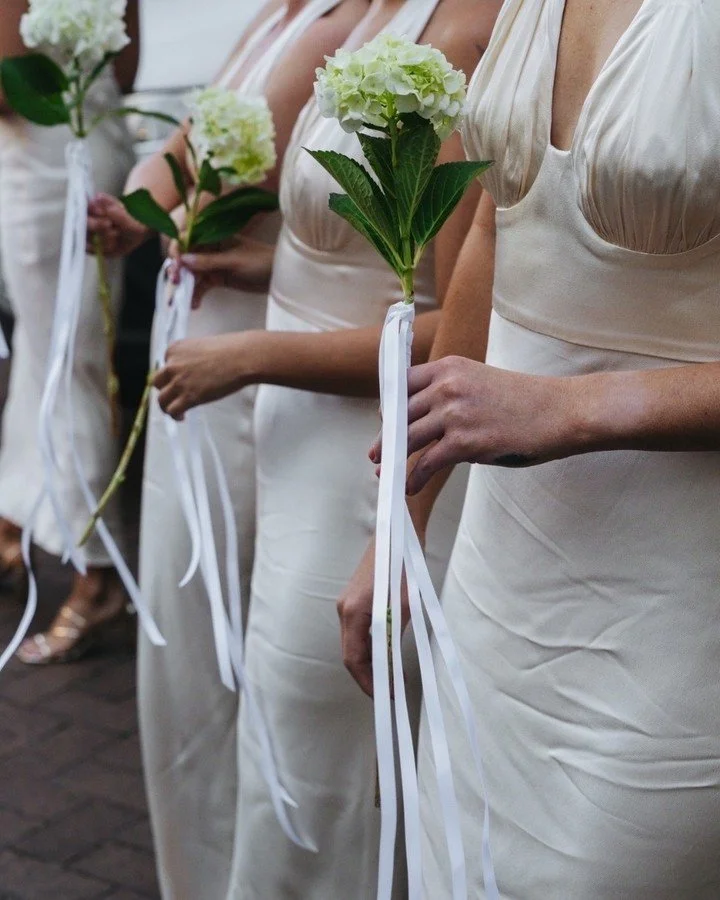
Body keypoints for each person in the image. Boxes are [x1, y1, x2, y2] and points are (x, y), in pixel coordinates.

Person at [339, 0, 720, 895]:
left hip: (674, 600)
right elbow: (489, 238)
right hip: (497, 584)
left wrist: (575, 408)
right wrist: (402, 521)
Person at [153, 0, 501, 894]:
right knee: (272, 744)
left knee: (317, 780)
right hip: (291, 443)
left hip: (364, 450)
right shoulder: (357, 17)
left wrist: (259, 353)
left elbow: (466, 322)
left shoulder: (463, 28)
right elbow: (365, 258)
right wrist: (263, 274)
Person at [88, 2, 367, 897]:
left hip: (254, 360)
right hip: (216, 320)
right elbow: (184, 144)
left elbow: (202, 179)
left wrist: (147, 204)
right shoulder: (284, 15)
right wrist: (138, 196)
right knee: (192, 649)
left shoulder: (333, 31)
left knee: (218, 646)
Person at [0, 0, 139, 663]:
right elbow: (127, 57)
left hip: (45, 154)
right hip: (94, 131)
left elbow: (4, 84)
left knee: (67, 358)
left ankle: (98, 570)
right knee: (47, 346)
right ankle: (20, 516)